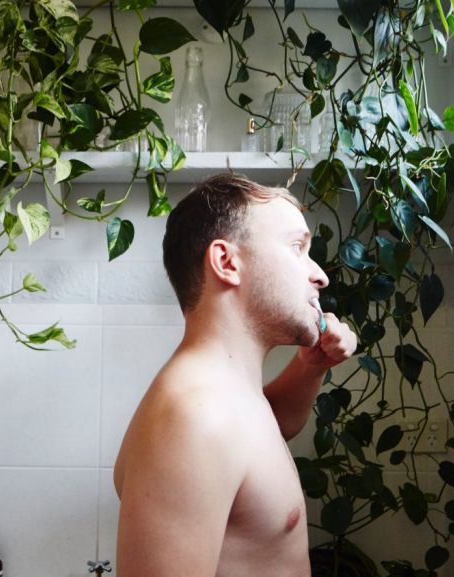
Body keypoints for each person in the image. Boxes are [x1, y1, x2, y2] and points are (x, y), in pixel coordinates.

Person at [113, 173, 358, 577]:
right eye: (297, 248)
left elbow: (261, 437)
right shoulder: (193, 420)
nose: (320, 275)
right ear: (227, 263)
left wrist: (310, 365)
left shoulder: (226, 396)